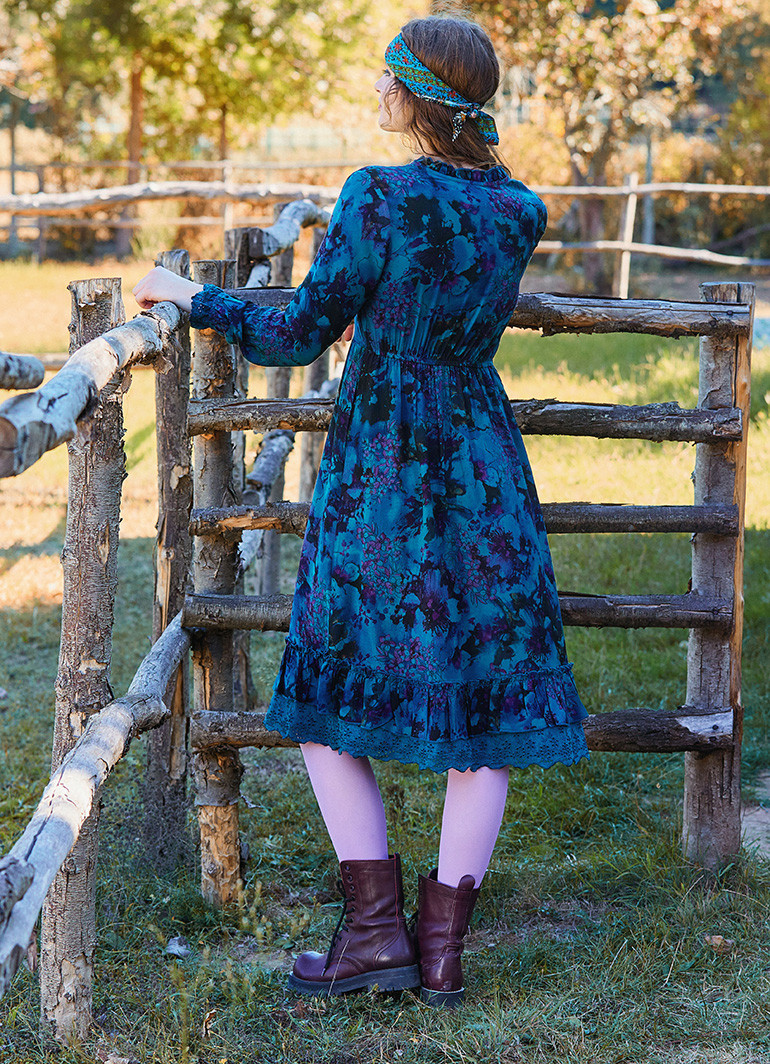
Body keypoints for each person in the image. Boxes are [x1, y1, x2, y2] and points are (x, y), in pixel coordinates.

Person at [133, 14, 589, 1008]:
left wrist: (193, 297)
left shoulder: (376, 195)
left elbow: (299, 331)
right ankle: (441, 953)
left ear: (415, 94)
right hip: (480, 468)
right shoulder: (521, 209)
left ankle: (375, 935)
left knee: (326, 697)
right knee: (486, 709)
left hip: (382, 466)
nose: (377, 91)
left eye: (388, 78)